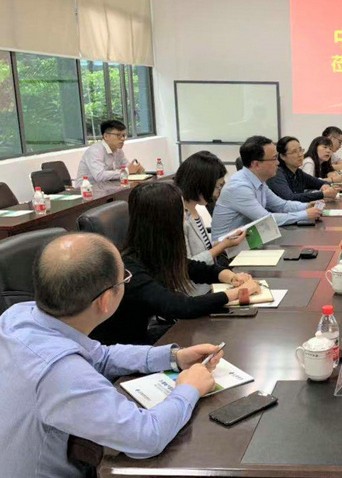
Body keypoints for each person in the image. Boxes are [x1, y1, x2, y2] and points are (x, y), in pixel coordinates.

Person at [0, 232, 222, 478]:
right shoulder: (59, 373)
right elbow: (146, 438)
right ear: (106, 301)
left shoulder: (19, 316)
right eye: (124, 279)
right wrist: (189, 388)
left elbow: (100, 355)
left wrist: (173, 357)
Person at [91, 183, 261, 346]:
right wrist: (237, 293)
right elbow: (180, 307)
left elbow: (189, 267)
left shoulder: (151, 252)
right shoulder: (129, 269)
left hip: (139, 338)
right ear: (166, 221)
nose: (185, 218)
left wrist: (229, 276)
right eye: (182, 212)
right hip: (122, 350)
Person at [211, 136, 323, 235]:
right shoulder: (239, 187)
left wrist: (306, 206)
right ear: (256, 164)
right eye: (274, 159)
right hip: (228, 248)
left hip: (248, 239)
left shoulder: (259, 181)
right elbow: (266, 220)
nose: (278, 163)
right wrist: (305, 215)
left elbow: (281, 205)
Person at [173, 152, 246, 293]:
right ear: (202, 184)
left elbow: (202, 249)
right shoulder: (179, 216)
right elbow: (189, 265)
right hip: (193, 291)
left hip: (206, 283)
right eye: (218, 186)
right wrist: (223, 245)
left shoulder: (194, 209)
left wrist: (225, 242)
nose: (218, 192)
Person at [268, 137, 338, 203]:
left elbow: (319, 182)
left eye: (300, 150)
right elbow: (290, 198)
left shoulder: (298, 172)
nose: (300, 155)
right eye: (294, 151)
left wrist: (325, 186)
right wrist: (322, 194)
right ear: (282, 156)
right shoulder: (277, 173)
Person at [76, 119, 145, 183]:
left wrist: (136, 169)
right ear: (106, 136)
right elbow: (99, 176)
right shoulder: (95, 151)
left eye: (124, 135)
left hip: (108, 187)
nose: (123, 139)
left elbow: (128, 167)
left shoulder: (118, 151)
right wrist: (127, 171)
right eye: (118, 135)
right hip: (87, 189)